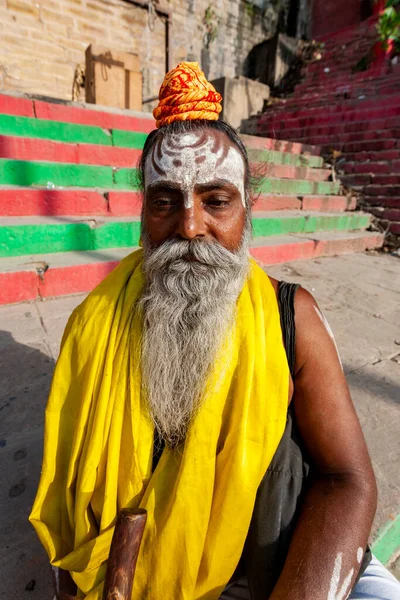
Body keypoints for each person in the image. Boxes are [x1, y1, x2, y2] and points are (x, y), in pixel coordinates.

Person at [29, 62, 400, 600]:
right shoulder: (93, 326)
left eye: (216, 201)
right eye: (165, 202)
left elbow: (348, 480)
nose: (189, 226)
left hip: (273, 568)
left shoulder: (292, 316)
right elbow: (71, 498)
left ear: (247, 211)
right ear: (143, 213)